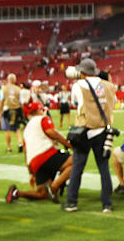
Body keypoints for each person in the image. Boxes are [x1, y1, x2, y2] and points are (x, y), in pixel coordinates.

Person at [63, 58, 117, 213]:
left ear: (83, 71)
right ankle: (107, 204)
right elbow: (112, 104)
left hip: (83, 131)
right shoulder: (108, 85)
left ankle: (71, 202)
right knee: (104, 168)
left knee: (77, 168)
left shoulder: (78, 85)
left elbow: (75, 103)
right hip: (101, 130)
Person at [6, 102, 72, 204]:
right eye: (42, 109)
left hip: (34, 162)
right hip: (46, 154)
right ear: (38, 110)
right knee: (76, 161)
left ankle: (17, 193)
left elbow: (25, 151)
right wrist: (68, 145)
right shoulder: (42, 119)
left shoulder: (27, 128)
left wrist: (31, 172)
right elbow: (52, 133)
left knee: (42, 194)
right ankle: (54, 187)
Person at [0, 74, 24, 153]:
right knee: (16, 129)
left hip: (7, 110)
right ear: (14, 80)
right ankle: (20, 143)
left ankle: (9, 147)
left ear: (8, 80)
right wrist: (22, 112)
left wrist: (1, 110)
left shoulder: (3, 89)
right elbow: (21, 102)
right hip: (16, 110)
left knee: (7, 130)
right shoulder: (18, 89)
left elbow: (1, 101)